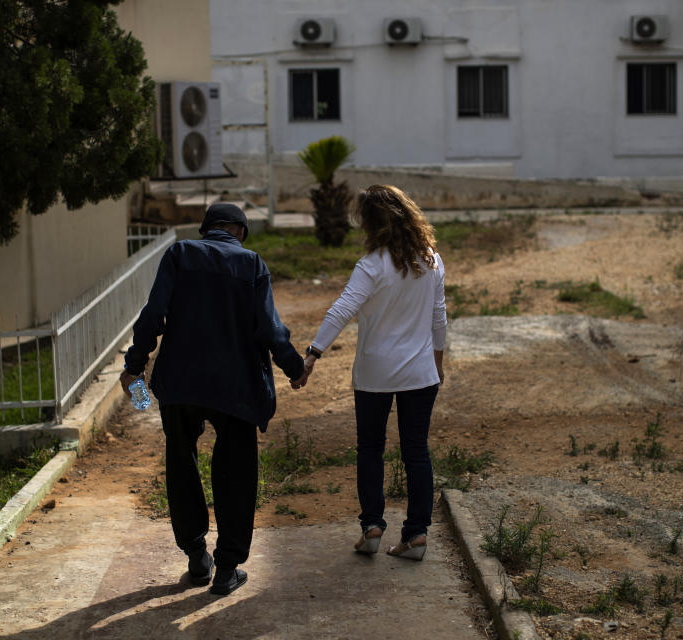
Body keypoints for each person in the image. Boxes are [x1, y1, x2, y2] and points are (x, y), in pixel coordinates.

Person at [119, 203, 307, 595]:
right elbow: (270, 329)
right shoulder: (252, 264)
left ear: (207, 230)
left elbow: (153, 313)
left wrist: (135, 364)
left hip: (180, 384)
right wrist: (294, 368)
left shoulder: (180, 254)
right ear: (240, 231)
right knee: (236, 469)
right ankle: (226, 569)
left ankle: (195, 557)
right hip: (235, 389)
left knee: (181, 460)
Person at [301, 184, 446, 560]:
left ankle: (373, 528)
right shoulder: (431, 261)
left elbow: (341, 310)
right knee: (417, 453)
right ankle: (416, 535)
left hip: (375, 374)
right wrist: (438, 363)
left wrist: (313, 354)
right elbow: (438, 318)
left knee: (370, 449)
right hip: (420, 373)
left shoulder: (371, 266)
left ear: (371, 224)